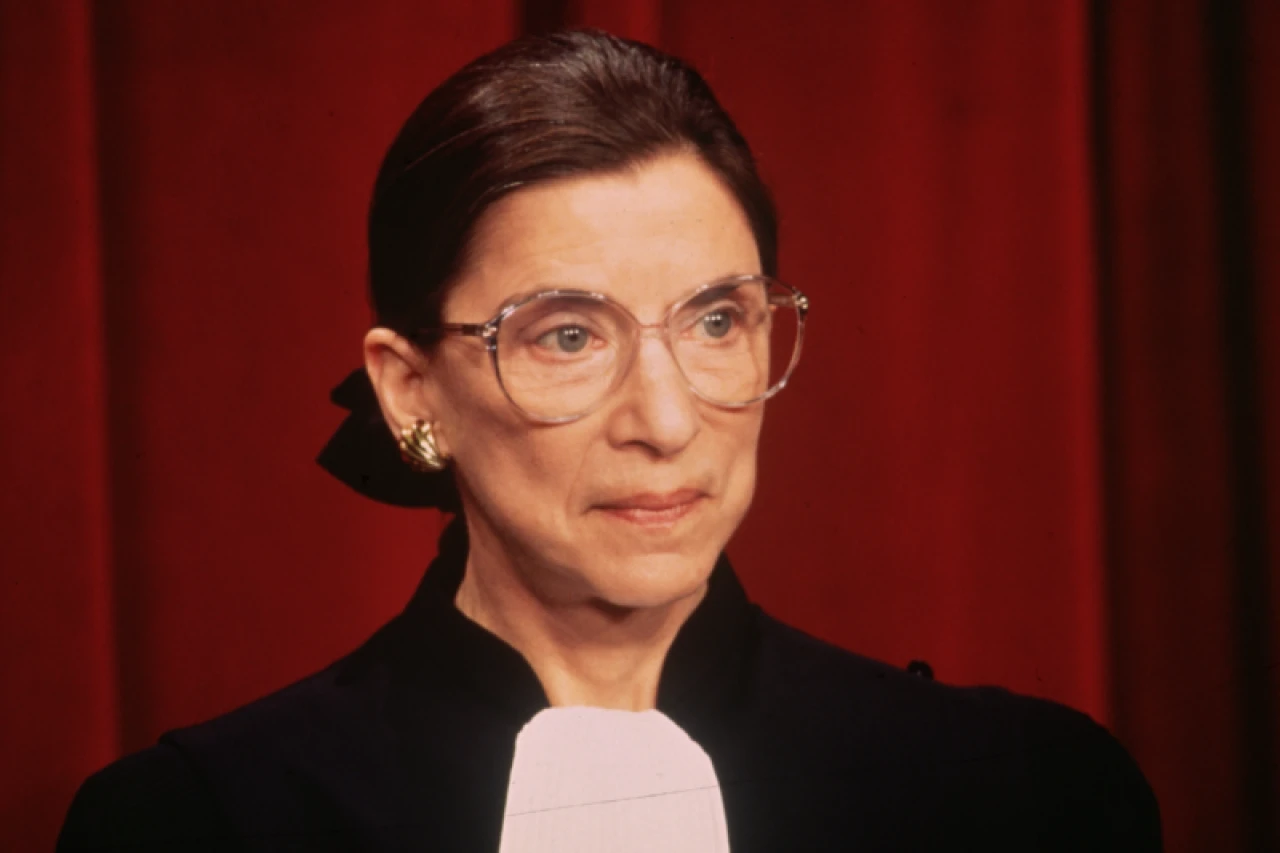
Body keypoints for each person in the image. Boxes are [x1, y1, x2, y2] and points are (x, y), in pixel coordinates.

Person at [58, 30, 1161, 852]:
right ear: (409, 389)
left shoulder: (1026, 798)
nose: (666, 422)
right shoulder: (196, 824)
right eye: (569, 335)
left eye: (716, 321)